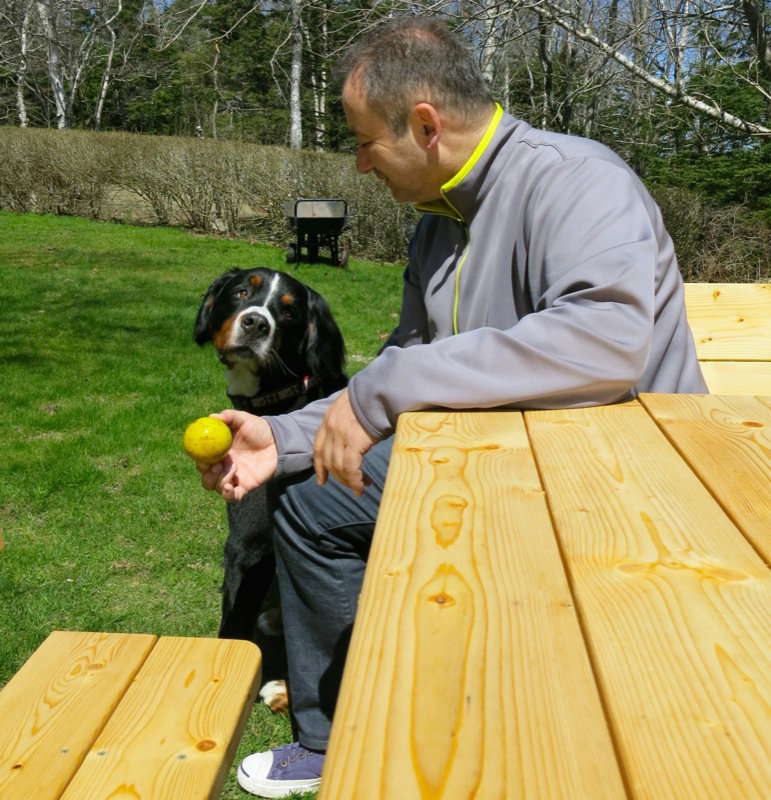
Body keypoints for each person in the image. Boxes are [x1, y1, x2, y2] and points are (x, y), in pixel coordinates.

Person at [198, 15, 707, 798]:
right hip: (508, 468)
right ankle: (337, 736)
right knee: (308, 500)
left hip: (625, 488)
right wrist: (283, 434)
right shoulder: (439, 225)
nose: (361, 166)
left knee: (326, 508)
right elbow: (411, 363)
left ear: (425, 125)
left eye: (365, 142)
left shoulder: (574, 179)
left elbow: (606, 341)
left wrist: (380, 390)